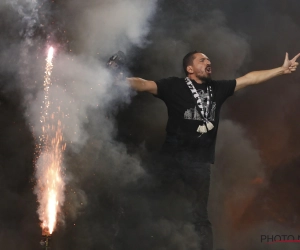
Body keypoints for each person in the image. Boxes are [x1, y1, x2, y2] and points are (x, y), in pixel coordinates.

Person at [126, 51, 299, 250]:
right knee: (157, 206)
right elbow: (144, 84)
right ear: (189, 69)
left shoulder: (217, 88)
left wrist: (281, 70)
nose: (208, 62)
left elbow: (250, 78)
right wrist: (119, 80)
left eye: (209, 60)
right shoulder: (174, 85)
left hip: (199, 163)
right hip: (170, 159)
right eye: (202, 60)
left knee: (199, 216)